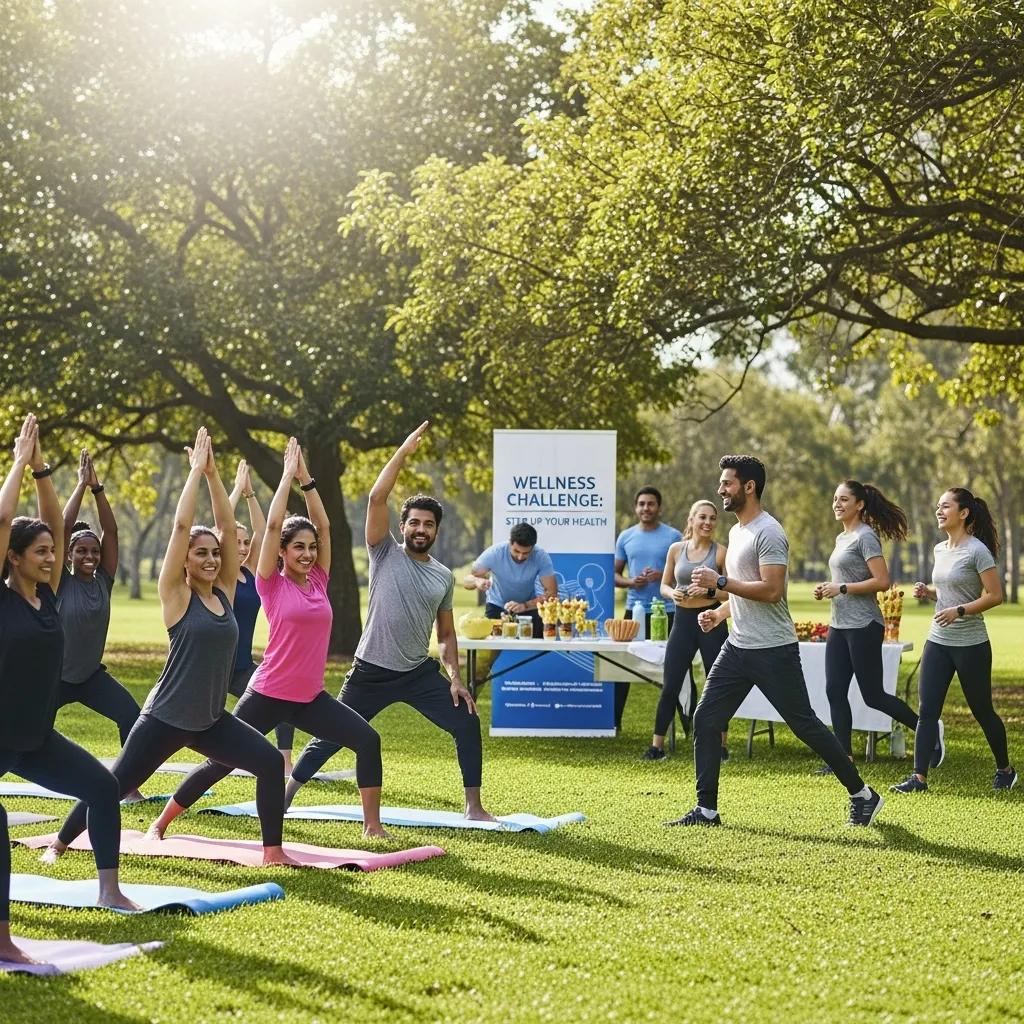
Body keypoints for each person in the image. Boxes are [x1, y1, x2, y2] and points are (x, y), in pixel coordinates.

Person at [45, 427, 296, 867]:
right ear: (184, 559)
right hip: (164, 718)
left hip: (211, 720)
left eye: (215, 554)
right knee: (111, 785)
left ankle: (272, 852)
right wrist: (194, 475)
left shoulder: (223, 592)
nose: (211, 559)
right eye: (200, 554)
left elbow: (223, 525)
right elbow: (183, 526)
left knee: (270, 763)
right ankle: (59, 843)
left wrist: (216, 477)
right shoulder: (175, 596)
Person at [147, 437, 388, 840]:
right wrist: (285, 478)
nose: (308, 554)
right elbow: (273, 526)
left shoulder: (319, 581)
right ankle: (161, 822)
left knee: (367, 739)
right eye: (299, 548)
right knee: (220, 763)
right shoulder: (270, 585)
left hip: (309, 697)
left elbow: (325, 526)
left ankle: (372, 827)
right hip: (269, 691)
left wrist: (307, 479)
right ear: (282, 553)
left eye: (311, 548)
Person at [285, 421, 494, 820]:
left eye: (428, 524)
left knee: (466, 722)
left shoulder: (443, 576)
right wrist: (403, 451)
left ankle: (474, 806)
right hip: (370, 672)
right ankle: (288, 793)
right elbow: (377, 496)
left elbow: (446, 634)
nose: (420, 529)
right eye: (413, 522)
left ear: (436, 530)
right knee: (330, 737)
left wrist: (454, 675)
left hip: (417, 672)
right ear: (403, 527)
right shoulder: (384, 553)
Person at [665, 454, 884, 827]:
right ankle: (706, 810)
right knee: (706, 718)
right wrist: (719, 611)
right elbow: (742, 592)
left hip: (773, 649)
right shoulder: (736, 533)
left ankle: (863, 795)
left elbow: (770, 591)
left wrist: (718, 583)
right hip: (738, 645)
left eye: (728, 483)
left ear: (749, 487)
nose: (720, 489)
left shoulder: (769, 532)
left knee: (805, 726)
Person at [1, 415, 139, 955]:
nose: (52, 557)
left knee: (103, 788)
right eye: (39, 553)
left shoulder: (49, 595)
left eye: (52, 553)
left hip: (32, 737)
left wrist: (43, 471)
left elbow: (56, 526)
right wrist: (18, 463)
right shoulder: (3, 597)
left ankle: (108, 890)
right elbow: (6, 516)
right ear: (12, 557)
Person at [891, 487, 1016, 793]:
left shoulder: (977, 551)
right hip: (938, 641)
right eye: (938, 506)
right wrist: (929, 593)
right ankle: (919, 778)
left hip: (971, 644)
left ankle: (1006, 770)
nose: (939, 511)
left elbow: (994, 596)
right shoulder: (939, 549)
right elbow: (949, 592)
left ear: (963, 513)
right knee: (928, 709)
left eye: (945, 507)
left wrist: (959, 611)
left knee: (982, 710)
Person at [812, 480, 920, 773]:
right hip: (839, 625)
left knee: (873, 695)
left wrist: (843, 588)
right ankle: (843, 759)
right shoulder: (841, 538)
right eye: (835, 498)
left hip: (864, 625)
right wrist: (828, 589)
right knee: (834, 690)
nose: (837, 504)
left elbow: (882, 582)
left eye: (844, 499)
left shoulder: (865, 536)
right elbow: (843, 581)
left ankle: (927, 731)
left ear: (859, 504)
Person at [55, 449, 144, 801]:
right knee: (26, 727)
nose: (90, 556)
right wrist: (79, 485)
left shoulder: (104, 581)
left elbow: (111, 529)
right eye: (82, 551)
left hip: (91, 676)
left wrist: (98, 489)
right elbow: (61, 527)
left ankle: (129, 784)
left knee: (131, 716)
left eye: (94, 551)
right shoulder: (58, 582)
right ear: (69, 554)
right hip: (54, 677)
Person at [642, 500, 729, 761]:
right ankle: (657, 747)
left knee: (717, 685)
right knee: (671, 684)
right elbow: (664, 585)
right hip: (682, 622)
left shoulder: (721, 552)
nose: (707, 523)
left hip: (712, 621)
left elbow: (731, 592)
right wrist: (673, 594)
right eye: (702, 517)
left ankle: (721, 746)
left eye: (712, 518)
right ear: (691, 520)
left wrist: (709, 591)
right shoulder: (675, 550)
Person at [226, 458, 293, 774]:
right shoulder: (220, 574)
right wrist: (237, 490)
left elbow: (262, 530)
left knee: (282, 697)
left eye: (243, 543)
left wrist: (252, 495)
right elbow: (222, 526)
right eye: (234, 543)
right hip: (212, 668)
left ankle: (285, 762)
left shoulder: (251, 573)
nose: (240, 548)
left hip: (240, 667)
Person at [613, 487, 682, 728]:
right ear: (636, 507)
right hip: (635, 612)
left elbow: (683, 573)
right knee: (621, 667)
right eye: (641, 504)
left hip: (668, 611)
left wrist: (662, 576)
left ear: (659, 507)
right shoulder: (625, 537)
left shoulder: (674, 536)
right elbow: (614, 575)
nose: (646, 508)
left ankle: (688, 726)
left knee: (677, 668)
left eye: (651, 504)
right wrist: (632, 581)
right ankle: (615, 723)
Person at [462, 522, 558, 639]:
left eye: (526, 553)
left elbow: (552, 593)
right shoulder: (494, 553)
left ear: (533, 548)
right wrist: (477, 581)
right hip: (496, 605)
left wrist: (525, 606)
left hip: (528, 607)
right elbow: (467, 581)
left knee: (536, 645)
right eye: (516, 551)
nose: (520, 557)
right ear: (510, 542)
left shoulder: (541, 556)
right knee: (493, 648)